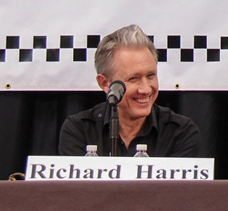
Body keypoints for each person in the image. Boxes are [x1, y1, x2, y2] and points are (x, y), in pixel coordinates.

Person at [58, 24, 200, 157]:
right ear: (105, 83)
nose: (145, 89)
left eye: (151, 76)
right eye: (133, 78)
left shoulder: (181, 132)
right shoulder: (79, 130)